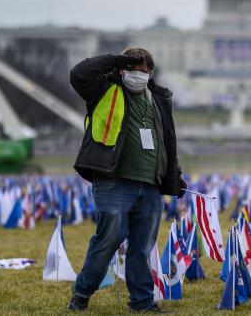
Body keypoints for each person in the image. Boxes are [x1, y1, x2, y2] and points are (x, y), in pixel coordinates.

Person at [67, 48, 186, 312]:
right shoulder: (103, 90)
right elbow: (78, 74)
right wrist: (114, 60)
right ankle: (81, 294)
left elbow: (166, 142)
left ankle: (142, 302)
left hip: (150, 185)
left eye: (143, 71)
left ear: (150, 73)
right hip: (114, 181)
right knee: (108, 240)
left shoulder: (159, 98)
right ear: (122, 70)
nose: (137, 76)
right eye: (132, 70)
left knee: (142, 249)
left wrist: (174, 176)